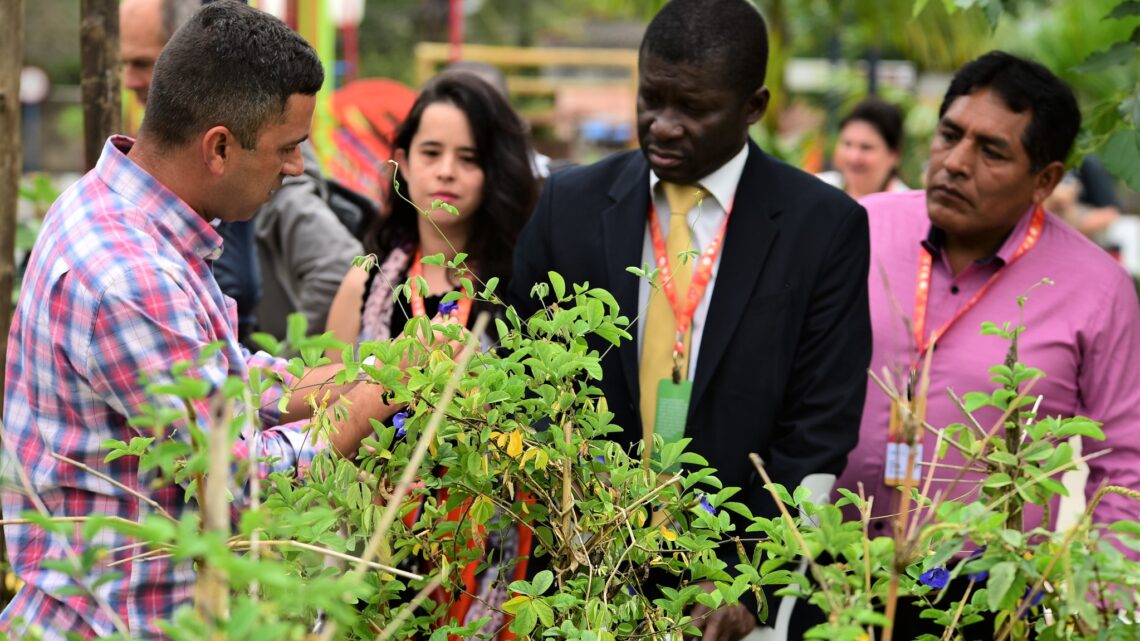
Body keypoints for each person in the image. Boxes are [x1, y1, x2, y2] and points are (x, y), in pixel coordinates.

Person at [0, 3, 403, 638]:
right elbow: (238, 488)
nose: (297, 168)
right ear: (219, 146)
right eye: (288, 147)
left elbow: (216, 380)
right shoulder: (130, 277)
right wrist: (365, 409)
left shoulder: (115, 207)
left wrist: (344, 377)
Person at [508, 1, 872, 639]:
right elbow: (523, 377)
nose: (662, 126)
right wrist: (580, 534)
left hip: (733, 597)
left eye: (693, 109)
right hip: (578, 576)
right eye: (650, 99)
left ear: (753, 107)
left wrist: (748, 582)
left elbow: (818, 429)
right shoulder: (569, 205)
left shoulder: (824, 228)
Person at [834, 51, 1140, 637]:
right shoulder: (856, 229)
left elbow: (1124, 467)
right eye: (950, 135)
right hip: (825, 567)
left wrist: (1102, 606)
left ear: (1046, 180)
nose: (955, 163)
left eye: (992, 151)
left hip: (978, 599)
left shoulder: (1097, 289)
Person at [326, 71, 538, 353]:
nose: (446, 171)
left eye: (468, 158)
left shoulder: (524, 284)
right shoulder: (365, 281)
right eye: (431, 153)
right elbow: (328, 395)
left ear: (495, 171)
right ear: (404, 162)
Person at [120, 0, 263, 345]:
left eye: (141, 63)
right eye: (123, 63)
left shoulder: (265, 155)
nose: (127, 81)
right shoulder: (132, 275)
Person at [253, 140, 364, 340]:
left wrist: (290, 361)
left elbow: (338, 267)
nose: (297, 165)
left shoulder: (287, 196)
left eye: (294, 145)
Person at [817, 96, 909, 199]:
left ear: (894, 155)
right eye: (847, 144)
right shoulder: (818, 190)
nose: (854, 157)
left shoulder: (908, 208)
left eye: (866, 147)